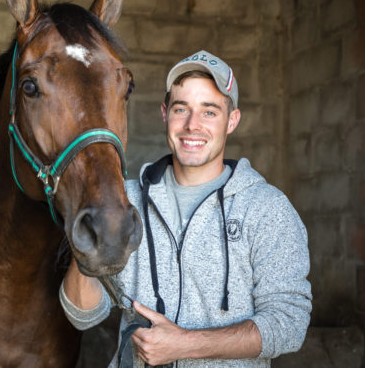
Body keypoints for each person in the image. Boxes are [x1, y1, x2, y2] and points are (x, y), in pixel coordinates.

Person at [60, 50, 312, 367]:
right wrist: (86, 228)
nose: (192, 125)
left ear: (232, 121)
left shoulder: (266, 209)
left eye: (209, 112)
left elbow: (289, 324)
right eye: (182, 109)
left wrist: (185, 344)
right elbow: (82, 314)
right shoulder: (127, 202)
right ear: (165, 113)